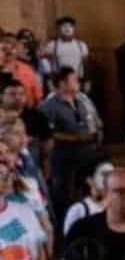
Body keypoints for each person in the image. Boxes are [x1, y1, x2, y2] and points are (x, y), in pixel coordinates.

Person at [37, 67, 101, 235]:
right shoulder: (49, 106)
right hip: (63, 159)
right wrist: (75, 138)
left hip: (86, 155)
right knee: (63, 197)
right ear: (62, 83)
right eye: (74, 79)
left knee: (87, 192)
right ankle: (64, 232)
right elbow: (45, 133)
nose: (78, 82)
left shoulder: (82, 100)